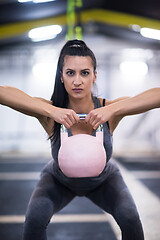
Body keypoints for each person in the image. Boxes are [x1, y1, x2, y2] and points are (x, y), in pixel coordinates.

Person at [0, 39, 160, 240]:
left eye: (84, 73)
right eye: (70, 73)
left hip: (104, 180)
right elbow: (2, 92)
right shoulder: (50, 113)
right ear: (61, 77)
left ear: (94, 76)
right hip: (58, 180)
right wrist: (51, 110)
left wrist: (113, 109)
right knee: (34, 220)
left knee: (130, 219)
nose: (77, 81)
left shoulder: (109, 110)